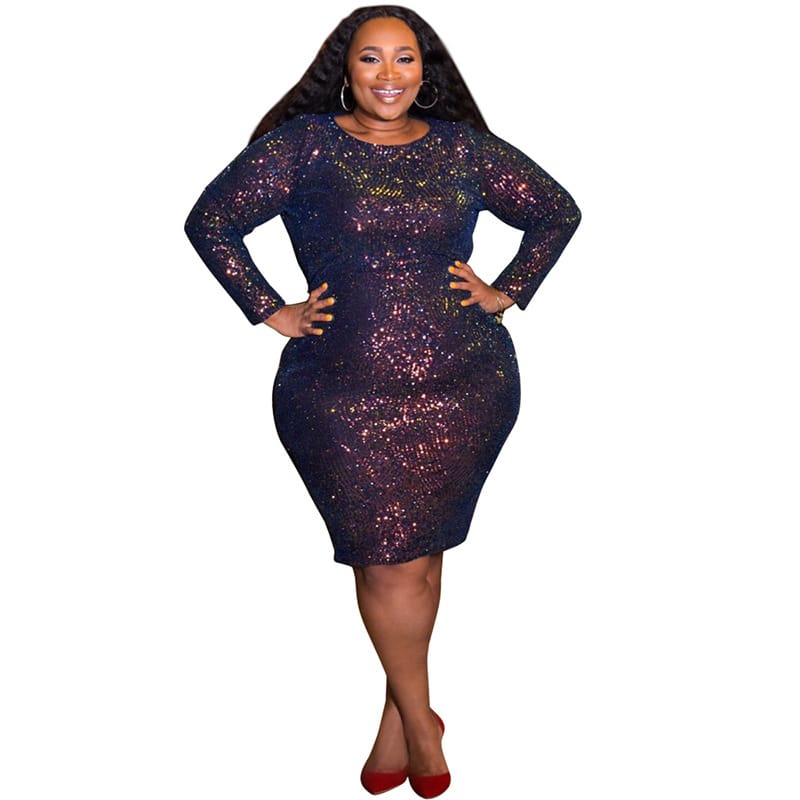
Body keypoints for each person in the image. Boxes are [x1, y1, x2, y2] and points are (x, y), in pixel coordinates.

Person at [184, 5, 580, 797]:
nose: (389, 74)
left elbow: (556, 211)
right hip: (339, 392)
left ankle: (400, 718)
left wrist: (507, 290)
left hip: (465, 384)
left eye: (405, 58)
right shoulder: (303, 147)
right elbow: (212, 221)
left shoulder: (463, 149)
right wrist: (270, 309)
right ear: (346, 67)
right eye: (371, 58)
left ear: (425, 70)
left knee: (419, 560)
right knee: (387, 560)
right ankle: (424, 724)